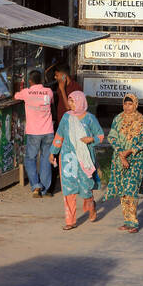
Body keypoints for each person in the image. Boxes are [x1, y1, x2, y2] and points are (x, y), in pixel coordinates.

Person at [50, 90, 105, 230]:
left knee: (86, 188)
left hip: (84, 158)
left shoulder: (90, 118)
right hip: (68, 158)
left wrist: (91, 139)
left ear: (80, 101)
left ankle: (91, 205)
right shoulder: (66, 117)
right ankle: (70, 221)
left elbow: (100, 136)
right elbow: (59, 135)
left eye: (72, 101)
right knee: (68, 189)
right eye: (69, 101)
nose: (70, 103)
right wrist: (53, 152)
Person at [107, 93, 143, 233]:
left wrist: (130, 151)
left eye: (130, 104)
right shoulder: (118, 119)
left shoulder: (142, 121)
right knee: (123, 189)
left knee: (131, 187)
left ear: (135, 104)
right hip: (120, 158)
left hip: (137, 158)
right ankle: (127, 220)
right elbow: (112, 137)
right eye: (125, 104)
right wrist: (121, 153)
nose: (127, 107)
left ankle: (133, 222)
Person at [14, 70, 55, 197]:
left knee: (30, 159)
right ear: (41, 80)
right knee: (45, 159)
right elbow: (51, 102)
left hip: (34, 132)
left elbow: (15, 96)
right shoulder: (49, 92)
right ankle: (45, 188)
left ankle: (36, 186)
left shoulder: (26, 92)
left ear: (30, 81)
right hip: (48, 131)